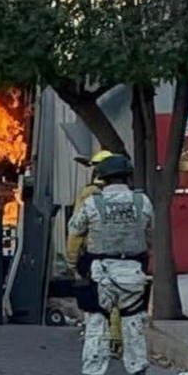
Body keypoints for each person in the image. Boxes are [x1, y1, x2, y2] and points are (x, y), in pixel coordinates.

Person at [65, 154, 154, 375]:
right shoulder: (142, 201)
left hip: (100, 272)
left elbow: (75, 233)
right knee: (133, 326)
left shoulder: (93, 203)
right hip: (133, 272)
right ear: (127, 176)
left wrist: (73, 263)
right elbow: (150, 234)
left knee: (96, 325)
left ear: (101, 178)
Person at [67, 149, 124, 359]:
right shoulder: (128, 198)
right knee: (119, 303)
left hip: (95, 256)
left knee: (98, 305)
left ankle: (101, 349)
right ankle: (117, 342)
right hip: (124, 257)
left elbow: (76, 229)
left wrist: (72, 261)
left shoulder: (89, 194)